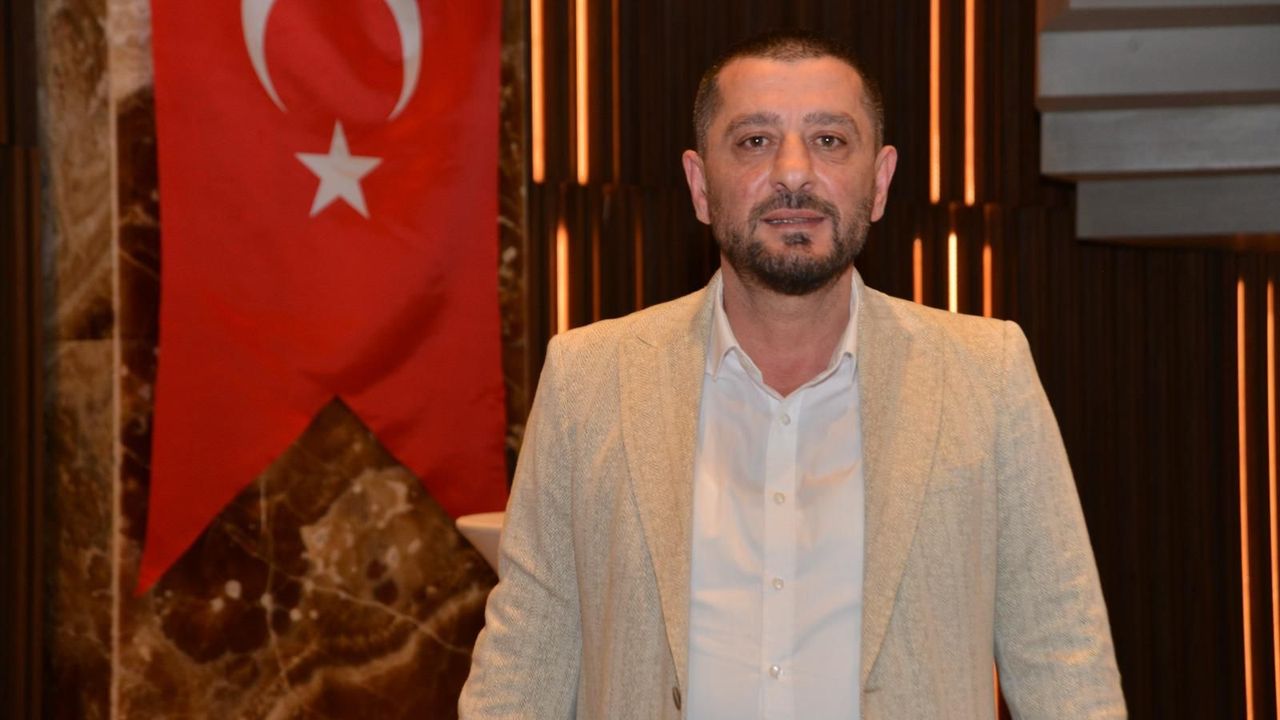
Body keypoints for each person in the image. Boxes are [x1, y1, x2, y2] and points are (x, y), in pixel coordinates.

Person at [459, 30, 1126, 720]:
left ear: (880, 181)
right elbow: (522, 669)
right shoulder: (588, 379)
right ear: (700, 186)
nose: (794, 173)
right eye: (755, 141)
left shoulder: (987, 374)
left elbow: (1064, 663)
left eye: (830, 140)